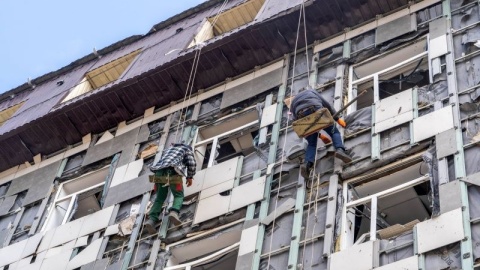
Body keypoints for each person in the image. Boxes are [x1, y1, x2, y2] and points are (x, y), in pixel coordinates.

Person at [291, 87, 352, 179]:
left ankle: (307, 164)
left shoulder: (293, 102)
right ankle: (340, 150)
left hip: (302, 118)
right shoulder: (311, 91)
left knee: (311, 143)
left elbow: (297, 122)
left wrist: (318, 135)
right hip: (315, 109)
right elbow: (327, 105)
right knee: (334, 132)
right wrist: (337, 119)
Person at [144, 143, 197, 234]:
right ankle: (174, 212)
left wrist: (156, 183)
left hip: (158, 173)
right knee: (178, 195)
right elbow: (192, 163)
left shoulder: (169, 150)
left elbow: (160, 164)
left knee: (159, 198)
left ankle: (151, 220)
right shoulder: (186, 149)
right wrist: (189, 177)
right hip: (172, 172)